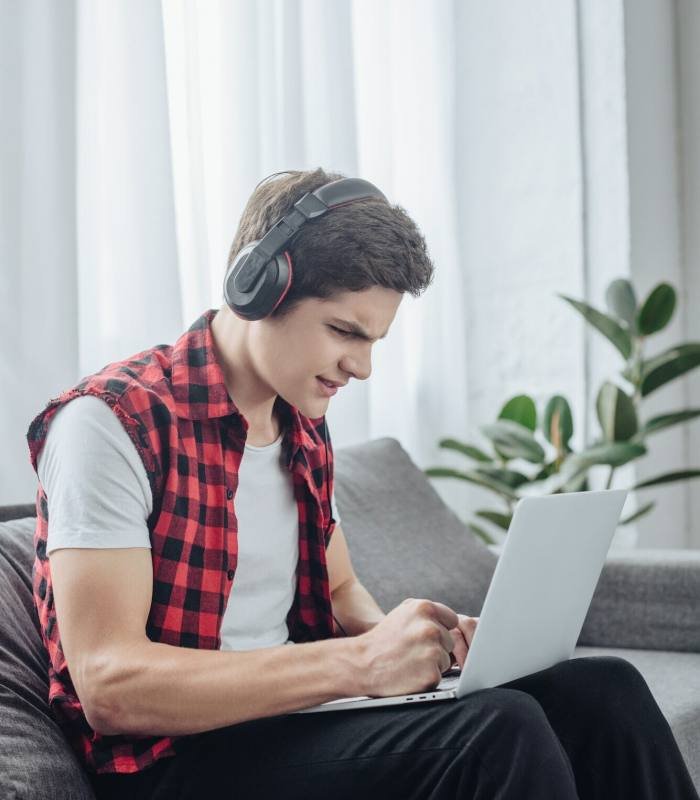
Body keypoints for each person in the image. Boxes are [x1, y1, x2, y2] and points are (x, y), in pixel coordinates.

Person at [26, 168, 698, 800]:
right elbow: (110, 687)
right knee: (502, 732)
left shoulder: (301, 426)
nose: (363, 367)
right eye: (346, 331)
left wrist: (419, 648)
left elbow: (340, 587)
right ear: (259, 286)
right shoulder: (111, 422)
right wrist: (359, 666)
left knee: (605, 690)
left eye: (375, 340)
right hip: (176, 759)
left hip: (291, 721)